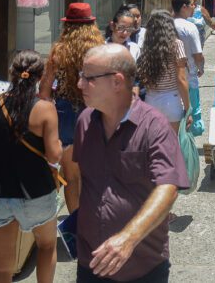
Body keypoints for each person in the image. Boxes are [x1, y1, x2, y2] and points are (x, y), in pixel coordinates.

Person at [74, 45, 189, 282]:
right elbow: (80, 178)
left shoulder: (154, 126)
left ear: (117, 81)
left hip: (141, 268)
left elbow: (168, 188)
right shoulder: (85, 121)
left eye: (88, 78)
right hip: (91, 263)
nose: (80, 84)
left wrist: (128, 238)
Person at [0, 51, 62, 283]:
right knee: (46, 246)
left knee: (2, 268)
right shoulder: (45, 109)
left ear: (12, 74)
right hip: (36, 192)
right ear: (40, 77)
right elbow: (54, 154)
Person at [39, 3, 105, 213]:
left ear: (67, 26)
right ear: (91, 25)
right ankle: (92, 221)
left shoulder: (59, 51)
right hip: (94, 112)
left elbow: (44, 91)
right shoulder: (100, 50)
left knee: (71, 177)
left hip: (65, 115)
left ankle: (76, 225)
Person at [136, 10, 191, 133]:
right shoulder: (176, 45)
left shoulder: (146, 47)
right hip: (171, 99)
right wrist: (188, 109)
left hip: (150, 100)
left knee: (153, 145)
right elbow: (181, 79)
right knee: (171, 145)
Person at [171, 0, 205, 136]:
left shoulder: (167, 25)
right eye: (192, 5)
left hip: (169, 81)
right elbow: (198, 55)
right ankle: (187, 147)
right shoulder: (190, 27)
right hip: (189, 79)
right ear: (184, 7)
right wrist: (201, 67)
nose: (194, 8)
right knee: (191, 113)